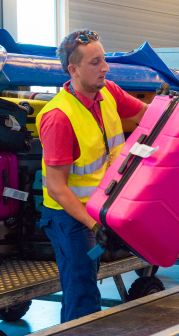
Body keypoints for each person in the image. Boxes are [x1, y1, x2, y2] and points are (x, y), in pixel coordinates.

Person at [36, 29, 148, 323]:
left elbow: (148, 115)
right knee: (82, 289)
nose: (105, 68)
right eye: (95, 62)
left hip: (101, 207)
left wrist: (177, 112)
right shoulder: (59, 117)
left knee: (88, 282)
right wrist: (95, 226)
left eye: (104, 60)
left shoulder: (108, 92)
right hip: (71, 216)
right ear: (73, 70)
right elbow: (57, 187)